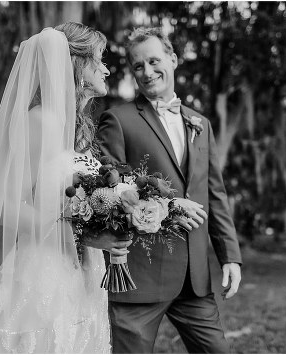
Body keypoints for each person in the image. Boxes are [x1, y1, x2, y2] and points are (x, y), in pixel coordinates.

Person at [0, 23, 125, 353]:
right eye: (99, 59)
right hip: (46, 272)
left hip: (85, 269)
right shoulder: (41, 120)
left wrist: (106, 224)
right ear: (77, 64)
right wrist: (76, 228)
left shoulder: (78, 128)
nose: (106, 69)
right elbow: (4, 205)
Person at [97, 27, 243, 353]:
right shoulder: (118, 120)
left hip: (194, 279)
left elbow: (214, 194)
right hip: (139, 277)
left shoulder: (200, 124)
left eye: (153, 61)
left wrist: (230, 257)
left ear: (173, 60)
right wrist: (171, 205)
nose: (147, 72)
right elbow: (110, 188)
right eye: (138, 66)